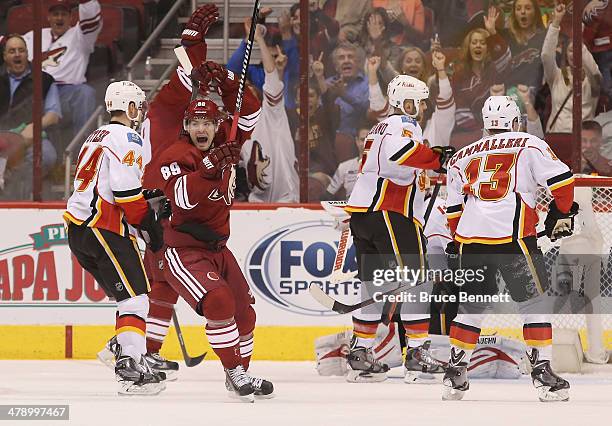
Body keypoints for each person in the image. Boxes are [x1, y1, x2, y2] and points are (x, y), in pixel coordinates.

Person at [96, 4, 223, 380]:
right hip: (150, 204)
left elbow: (190, 75)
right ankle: (124, 348)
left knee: (162, 281)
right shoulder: (165, 109)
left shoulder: (166, 116)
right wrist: (192, 40)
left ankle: (143, 348)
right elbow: (188, 70)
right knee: (155, 282)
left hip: (157, 204)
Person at [442, 95, 575, 402]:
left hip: (470, 241)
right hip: (513, 239)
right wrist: (563, 211)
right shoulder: (528, 143)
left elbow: (452, 211)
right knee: (535, 304)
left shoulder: (461, 156)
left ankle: (454, 374)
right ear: (515, 121)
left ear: (486, 125)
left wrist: (457, 242)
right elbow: (563, 181)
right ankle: (542, 372)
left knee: (471, 307)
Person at [157, 65, 271, 402]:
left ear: (218, 124)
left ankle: (241, 374)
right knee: (219, 301)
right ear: (186, 126)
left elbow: (251, 109)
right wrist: (209, 168)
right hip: (183, 251)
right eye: (195, 123)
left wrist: (226, 79)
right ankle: (234, 371)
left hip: (218, 248)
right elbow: (181, 198)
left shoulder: (227, 140)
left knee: (245, 312)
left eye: (208, 122)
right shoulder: (176, 155)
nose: (202, 128)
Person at [343, 74, 455, 383]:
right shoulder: (401, 125)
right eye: (414, 101)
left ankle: (361, 352)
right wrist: (436, 158)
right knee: (417, 279)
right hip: (389, 212)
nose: (417, 107)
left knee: (374, 283)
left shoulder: (381, 127)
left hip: (365, 215)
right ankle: (417, 354)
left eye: (418, 102)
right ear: (400, 101)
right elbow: (401, 154)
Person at [64, 81, 170, 395]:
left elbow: (108, 185)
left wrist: (142, 197)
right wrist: (150, 225)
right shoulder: (129, 137)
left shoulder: (95, 135)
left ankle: (123, 351)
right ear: (132, 108)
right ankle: (130, 368)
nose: (141, 112)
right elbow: (125, 194)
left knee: (131, 299)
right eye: (139, 106)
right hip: (102, 228)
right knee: (137, 300)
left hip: (81, 230)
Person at [23, 0, 101, 139]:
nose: (59, 18)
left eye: (64, 14)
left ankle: (82, 152)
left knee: (85, 92)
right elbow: (9, 44)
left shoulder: (80, 36)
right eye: (55, 14)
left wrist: (86, 2)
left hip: (66, 92)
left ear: (71, 17)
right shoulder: (33, 35)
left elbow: (91, 21)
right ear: (48, 17)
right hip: (35, 91)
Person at [241, 24, 299, 203]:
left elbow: (271, 76)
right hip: (256, 203)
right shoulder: (235, 129)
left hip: (287, 199)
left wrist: (258, 39)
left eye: (249, 90)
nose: (244, 96)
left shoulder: (271, 113)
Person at [0, 34, 60, 197]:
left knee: (47, 156)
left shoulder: (45, 79)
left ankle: (19, 199)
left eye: (21, 50)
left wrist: (33, 128)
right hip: (2, 136)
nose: (17, 54)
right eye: (12, 51)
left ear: (27, 54)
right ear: (5, 57)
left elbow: (53, 115)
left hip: (33, 136)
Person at [542, 2, 602, 133]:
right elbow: (546, 55)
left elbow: (594, 71)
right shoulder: (556, 76)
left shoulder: (592, 79)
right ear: (565, 54)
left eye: (578, 49)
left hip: (584, 142)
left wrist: (579, 40)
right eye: (570, 50)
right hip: (557, 137)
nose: (574, 54)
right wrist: (556, 23)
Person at [321, 125, 369, 200]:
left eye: (370, 140)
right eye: (363, 140)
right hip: (350, 209)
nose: (366, 143)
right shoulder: (344, 167)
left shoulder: (384, 167)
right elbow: (328, 195)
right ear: (357, 141)